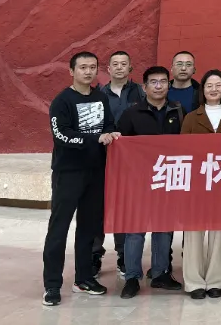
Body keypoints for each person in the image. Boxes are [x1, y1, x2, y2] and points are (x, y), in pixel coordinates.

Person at [42, 51, 117, 306]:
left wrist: (111, 134)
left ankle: (84, 279)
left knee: (88, 228)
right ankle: (52, 285)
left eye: (92, 67)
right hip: (68, 173)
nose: (88, 71)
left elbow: (108, 124)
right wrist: (94, 138)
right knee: (59, 229)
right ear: (72, 71)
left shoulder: (100, 97)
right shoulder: (61, 101)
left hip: (96, 172)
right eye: (83, 67)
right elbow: (61, 135)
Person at [117, 65, 186, 298]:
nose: (159, 86)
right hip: (138, 181)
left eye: (163, 82)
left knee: (164, 229)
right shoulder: (131, 114)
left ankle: (160, 273)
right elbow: (120, 147)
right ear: (144, 87)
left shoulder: (178, 111)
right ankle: (132, 277)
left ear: (169, 85)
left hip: (169, 178)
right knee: (135, 231)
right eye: (153, 82)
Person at [180, 70, 221, 299]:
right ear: (202, 90)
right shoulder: (191, 117)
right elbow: (183, 151)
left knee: (220, 232)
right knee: (193, 232)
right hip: (196, 182)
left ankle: (216, 280)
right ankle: (194, 281)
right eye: (209, 86)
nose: (214, 89)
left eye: (218, 85)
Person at [93, 50, 142, 277]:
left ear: (130, 67)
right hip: (101, 160)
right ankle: (94, 255)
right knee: (97, 208)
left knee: (124, 209)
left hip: (130, 164)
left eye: (124, 64)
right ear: (109, 69)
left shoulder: (140, 92)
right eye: (115, 64)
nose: (120, 67)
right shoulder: (98, 95)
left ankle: (124, 256)